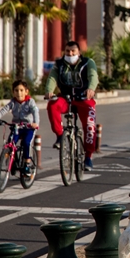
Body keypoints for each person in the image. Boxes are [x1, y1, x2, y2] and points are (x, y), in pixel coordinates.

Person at [45, 40, 99, 170]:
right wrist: (49, 91)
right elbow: (52, 77)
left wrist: (91, 88)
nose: (70, 53)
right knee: (52, 105)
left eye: (73, 51)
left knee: (90, 125)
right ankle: (59, 136)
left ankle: (88, 157)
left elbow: (93, 76)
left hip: (84, 98)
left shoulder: (88, 62)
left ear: (79, 52)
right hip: (66, 98)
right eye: (68, 51)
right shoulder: (59, 64)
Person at [0, 80, 40, 172]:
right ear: (13, 92)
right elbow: (4, 110)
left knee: (26, 143)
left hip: (29, 128)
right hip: (16, 127)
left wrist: (35, 123)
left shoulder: (30, 102)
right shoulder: (13, 102)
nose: (19, 93)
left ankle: (27, 163)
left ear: (26, 91)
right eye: (16, 90)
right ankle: (11, 161)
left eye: (21, 90)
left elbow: (35, 112)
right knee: (10, 143)